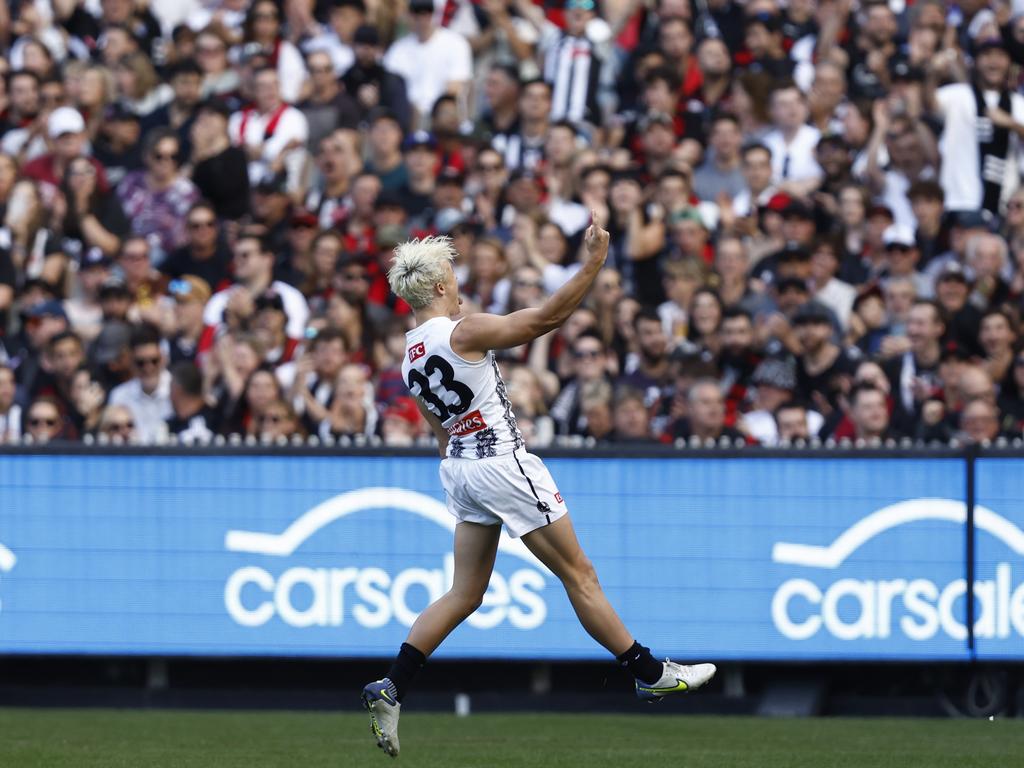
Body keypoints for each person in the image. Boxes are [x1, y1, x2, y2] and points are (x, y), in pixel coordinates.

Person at [362, 220, 715, 757]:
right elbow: (546, 319)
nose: (458, 284)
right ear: (437, 287)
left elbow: (439, 429)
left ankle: (393, 684)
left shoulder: (411, 354)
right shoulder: (463, 331)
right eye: (452, 276)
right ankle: (647, 671)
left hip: (458, 468)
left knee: (465, 593)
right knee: (581, 574)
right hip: (501, 463)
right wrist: (593, 263)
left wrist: (464, 473)